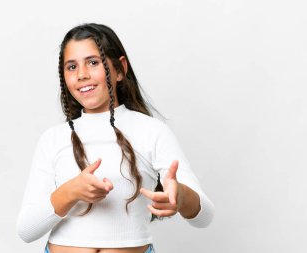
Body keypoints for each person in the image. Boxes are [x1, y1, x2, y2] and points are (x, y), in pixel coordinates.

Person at [17, 23, 214, 253]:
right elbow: (26, 230)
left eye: (93, 62)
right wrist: (71, 191)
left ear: (120, 69)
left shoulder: (151, 132)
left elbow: (204, 217)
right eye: (71, 67)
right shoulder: (53, 139)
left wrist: (180, 196)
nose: (82, 74)